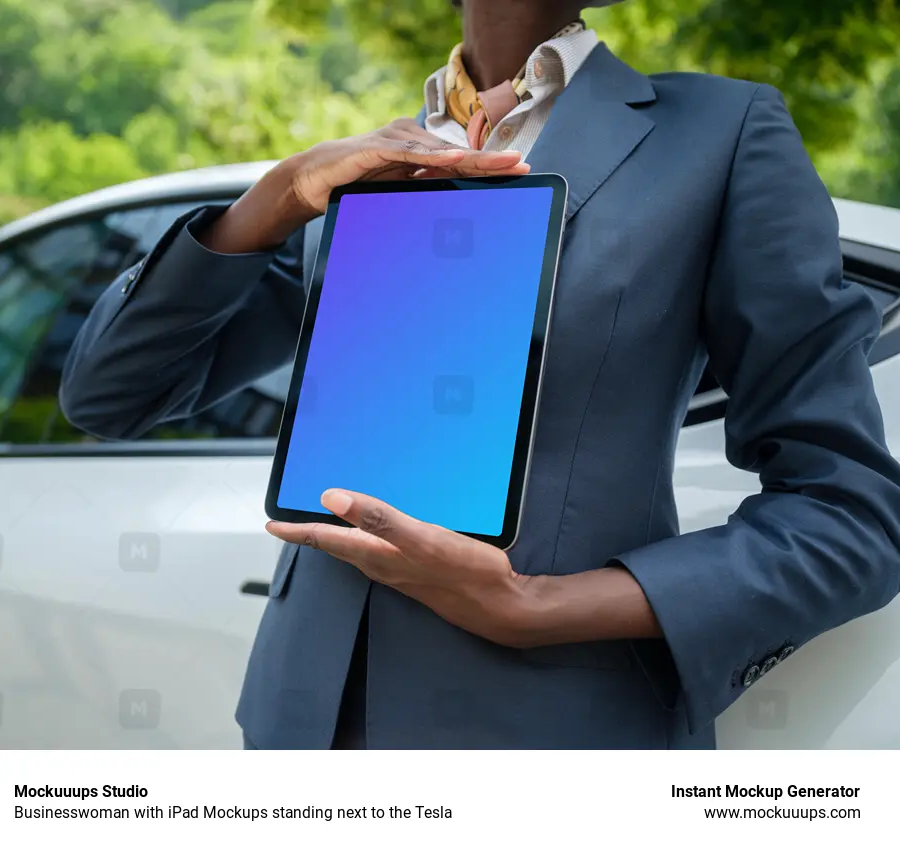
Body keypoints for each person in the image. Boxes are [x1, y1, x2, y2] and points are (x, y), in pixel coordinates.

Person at [59, 0, 900, 749]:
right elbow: (110, 395)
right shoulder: (367, 169)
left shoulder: (719, 134)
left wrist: (536, 607)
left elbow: (850, 519)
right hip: (301, 730)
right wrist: (276, 196)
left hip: (551, 746)